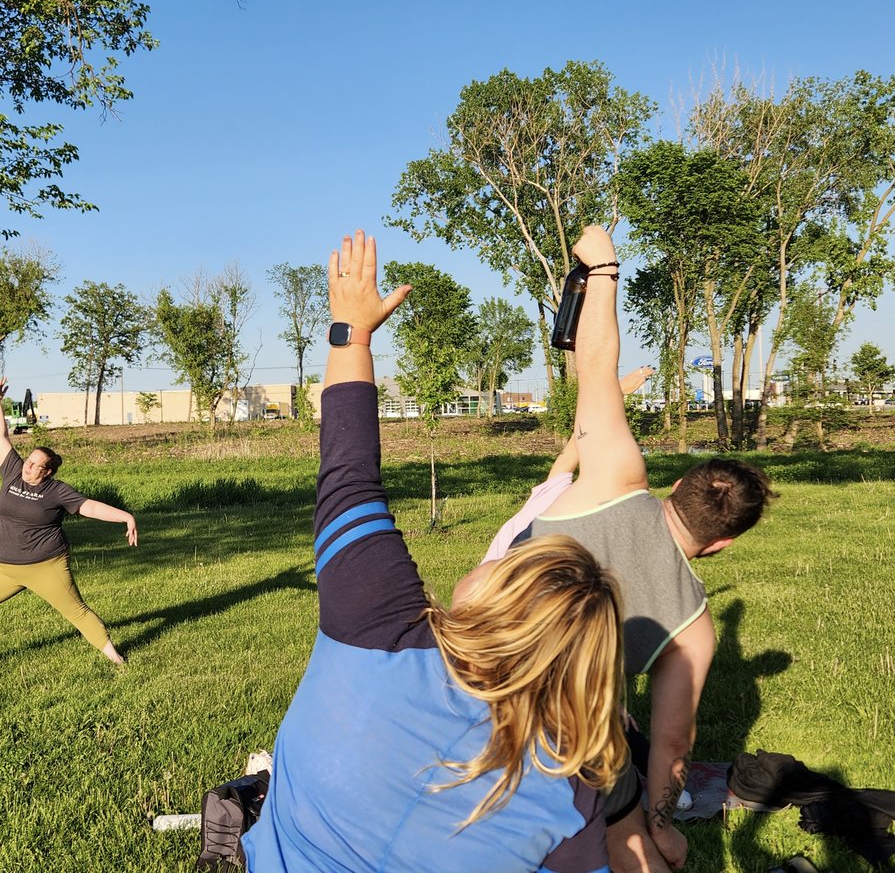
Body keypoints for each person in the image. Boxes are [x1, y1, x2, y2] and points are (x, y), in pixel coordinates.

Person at [242, 230, 628, 872]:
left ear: (497, 604)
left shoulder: (378, 624)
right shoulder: (571, 785)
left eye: (509, 564)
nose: (498, 555)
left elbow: (349, 476)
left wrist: (352, 334)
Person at [455, 226, 776, 872]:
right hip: (554, 740)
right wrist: (662, 828)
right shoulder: (693, 627)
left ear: (677, 485)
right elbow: (672, 743)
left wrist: (602, 268)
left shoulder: (614, 476)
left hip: (458, 677)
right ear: (718, 545)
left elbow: (595, 363)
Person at [0, 377, 137, 672]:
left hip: (45, 565)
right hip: (2, 566)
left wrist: (126, 516)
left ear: (48, 471)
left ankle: (117, 659)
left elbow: (88, 506)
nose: (27, 466)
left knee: (77, 612)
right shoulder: (13, 473)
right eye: (28, 461)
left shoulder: (56, 491)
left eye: (35, 464)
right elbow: (0, 437)